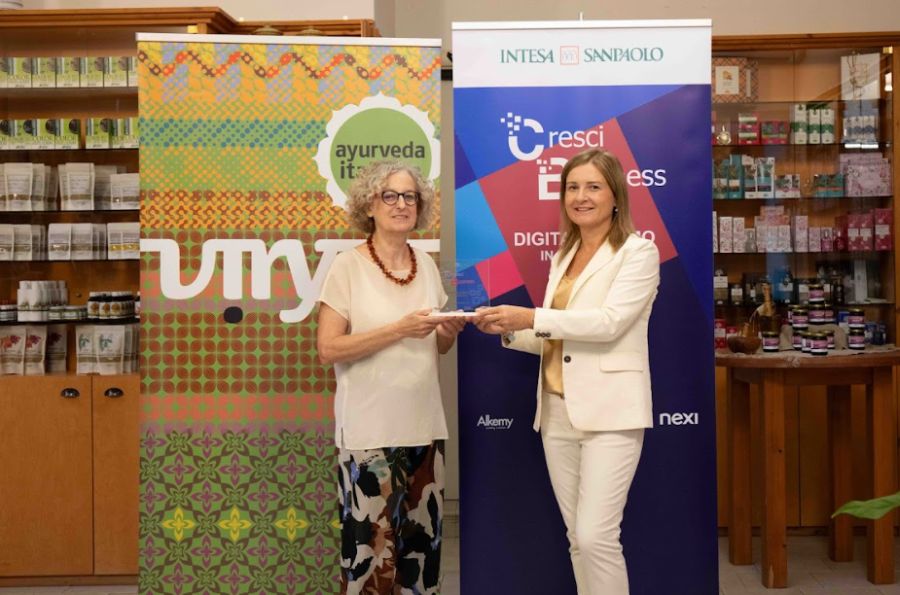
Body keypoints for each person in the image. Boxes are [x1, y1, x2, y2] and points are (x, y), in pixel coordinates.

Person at [475, 148, 660, 594]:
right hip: (557, 413)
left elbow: (609, 324)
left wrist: (530, 317)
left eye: (593, 186)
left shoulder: (638, 253)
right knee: (577, 539)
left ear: (615, 195)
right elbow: (560, 339)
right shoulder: (565, 254)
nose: (581, 197)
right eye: (572, 187)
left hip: (610, 414)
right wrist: (507, 329)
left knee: (596, 537)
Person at [317, 160, 465, 595]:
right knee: (369, 564)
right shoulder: (347, 266)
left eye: (410, 197)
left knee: (422, 562)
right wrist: (399, 329)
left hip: (425, 432)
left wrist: (449, 330)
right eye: (390, 196)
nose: (401, 204)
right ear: (369, 206)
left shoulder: (427, 266)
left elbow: (437, 347)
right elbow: (329, 349)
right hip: (368, 436)